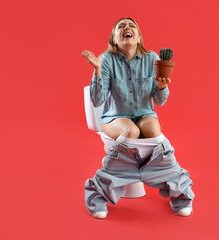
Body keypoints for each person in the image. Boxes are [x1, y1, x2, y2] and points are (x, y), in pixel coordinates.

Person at [82, 18, 195, 219]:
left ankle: (174, 189)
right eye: (121, 26)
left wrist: (161, 86)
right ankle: (100, 190)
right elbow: (97, 101)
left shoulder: (152, 58)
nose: (127, 28)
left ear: (139, 37)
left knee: (153, 130)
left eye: (132, 25)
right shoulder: (106, 59)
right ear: (114, 39)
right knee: (131, 132)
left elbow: (159, 101)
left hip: (144, 115)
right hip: (114, 118)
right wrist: (97, 70)